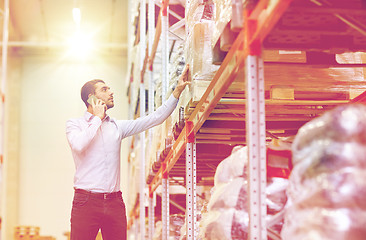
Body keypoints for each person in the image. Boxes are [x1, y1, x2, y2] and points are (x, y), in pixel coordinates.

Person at [66, 65, 190, 240]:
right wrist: (97, 119)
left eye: (109, 88)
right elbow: (79, 145)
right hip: (85, 202)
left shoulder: (117, 126)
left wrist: (177, 92)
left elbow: (154, 119)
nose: (111, 92)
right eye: (104, 89)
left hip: (114, 202)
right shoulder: (74, 125)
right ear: (91, 98)